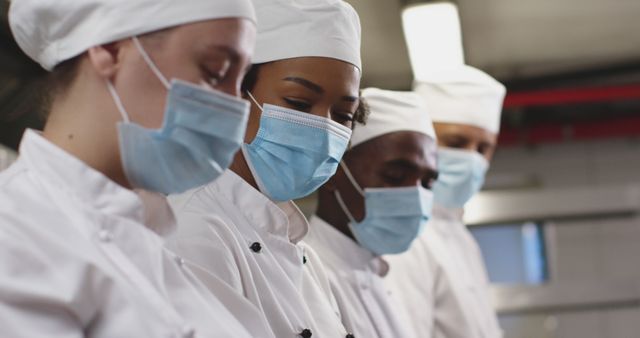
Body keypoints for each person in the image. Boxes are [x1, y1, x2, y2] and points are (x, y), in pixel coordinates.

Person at [0, 0, 274, 337]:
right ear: (110, 50)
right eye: (215, 71)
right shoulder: (17, 238)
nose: (236, 106)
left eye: (241, 82)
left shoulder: (149, 235)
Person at [166, 0, 365, 337]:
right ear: (234, 92)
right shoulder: (192, 227)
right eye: (299, 103)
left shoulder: (303, 256)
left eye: (343, 115)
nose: (323, 128)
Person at [305, 88, 439, 338]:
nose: (415, 195)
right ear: (332, 169)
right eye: (395, 176)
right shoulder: (306, 274)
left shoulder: (383, 277)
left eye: (427, 183)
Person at [385, 65, 507, 338]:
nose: (472, 159)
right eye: (456, 142)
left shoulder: (461, 238)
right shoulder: (402, 237)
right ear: (420, 140)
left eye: (483, 148)